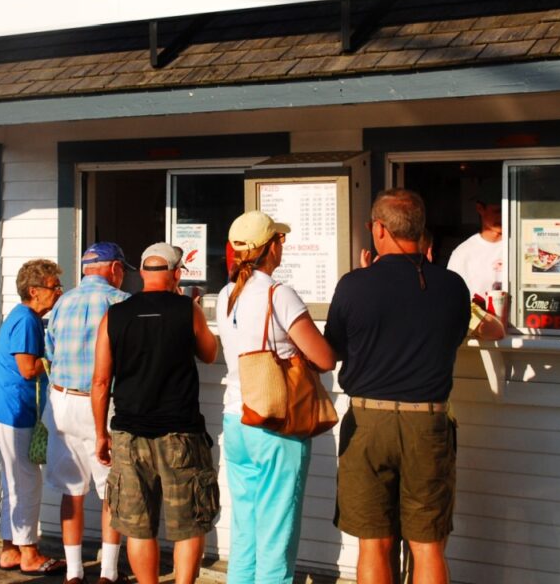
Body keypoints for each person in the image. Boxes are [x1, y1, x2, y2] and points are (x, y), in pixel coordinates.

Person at [325, 190, 503, 584]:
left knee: (374, 543)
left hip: (368, 422)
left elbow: (334, 350)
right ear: (421, 232)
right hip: (429, 422)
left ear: (380, 229)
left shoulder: (354, 285)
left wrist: (364, 276)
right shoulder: (452, 287)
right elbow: (467, 332)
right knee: (428, 545)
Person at [216, 211, 336, 584]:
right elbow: (325, 357)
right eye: (279, 241)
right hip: (274, 422)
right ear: (269, 248)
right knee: (276, 531)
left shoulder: (224, 295)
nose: (282, 246)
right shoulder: (277, 293)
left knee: (247, 527)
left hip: (236, 418)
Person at [91, 243, 220, 584]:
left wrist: (101, 434)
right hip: (181, 433)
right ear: (177, 274)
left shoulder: (115, 315)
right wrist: (192, 309)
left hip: (129, 434)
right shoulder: (186, 310)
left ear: (143, 274)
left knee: (138, 526)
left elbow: (101, 381)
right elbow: (209, 353)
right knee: (189, 524)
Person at [44, 242, 133, 584]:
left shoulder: (62, 302)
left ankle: (74, 571)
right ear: (114, 269)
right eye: (122, 270)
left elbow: (49, 349)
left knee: (72, 491)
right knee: (113, 490)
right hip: (101, 403)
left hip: (62, 400)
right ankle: (109, 573)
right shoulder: (120, 302)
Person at [0, 259, 66, 575]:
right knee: (26, 483)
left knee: (14, 481)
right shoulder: (28, 320)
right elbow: (27, 368)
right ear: (34, 291)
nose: (58, 292)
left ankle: (10, 550)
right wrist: (56, 360)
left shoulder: (22, 317)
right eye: (53, 287)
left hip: (5, 410)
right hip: (14, 411)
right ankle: (29, 554)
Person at [445, 180, 505, 301]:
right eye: (497, 211)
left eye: (507, 210)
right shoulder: (463, 253)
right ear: (480, 208)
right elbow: (452, 296)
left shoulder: (519, 246)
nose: (503, 216)